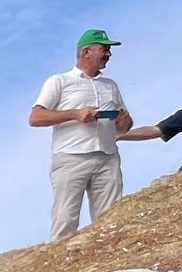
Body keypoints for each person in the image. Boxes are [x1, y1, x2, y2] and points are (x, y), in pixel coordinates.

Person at [30, 30, 134, 241]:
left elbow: (124, 127)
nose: (109, 54)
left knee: (110, 219)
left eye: (109, 50)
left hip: (107, 157)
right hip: (71, 157)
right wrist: (75, 114)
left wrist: (123, 122)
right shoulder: (60, 81)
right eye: (104, 49)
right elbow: (35, 117)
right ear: (86, 51)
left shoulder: (110, 86)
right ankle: (60, 267)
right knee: (66, 217)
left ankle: (107, 264)